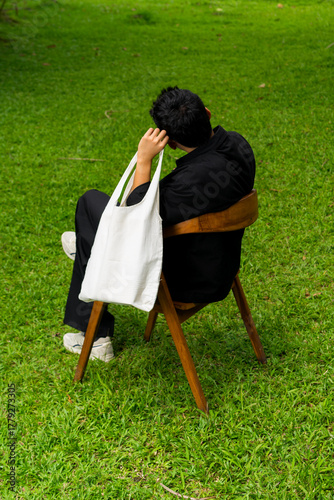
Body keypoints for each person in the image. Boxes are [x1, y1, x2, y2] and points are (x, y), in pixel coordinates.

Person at [62, 86, 256, 362]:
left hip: (182, 281)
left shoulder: (186, 183)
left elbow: (132, 216)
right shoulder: (238, 144)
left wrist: (144, 160)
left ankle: (95, 337)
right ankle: (89, 244)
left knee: (90, 203)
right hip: (221, 266)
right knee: (90, 233)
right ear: (208, 114)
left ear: (171, 141)